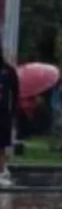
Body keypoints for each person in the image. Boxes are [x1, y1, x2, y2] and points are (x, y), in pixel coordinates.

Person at [0, 49, 18, 187]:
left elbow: (15, 92)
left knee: (1, 144)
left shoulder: (8, 70)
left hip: (3, 112)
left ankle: (1, 171)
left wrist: (13, 112)